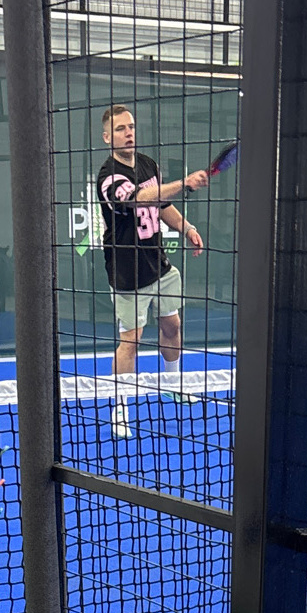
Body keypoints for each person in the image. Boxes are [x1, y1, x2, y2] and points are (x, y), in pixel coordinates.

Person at [96, 104, 209, 438]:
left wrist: (187, 228)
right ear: (107, 138)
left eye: (131, 126)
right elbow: (140, 198)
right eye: (120, 129)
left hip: (159, 266)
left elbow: (161, 205)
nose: (128, 132)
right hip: (127, 274)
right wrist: (184, 183)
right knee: (130, 342)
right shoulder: (109, 177)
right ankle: (120, 407)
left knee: (172, 325)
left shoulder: (148, 164)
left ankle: (173, 384)